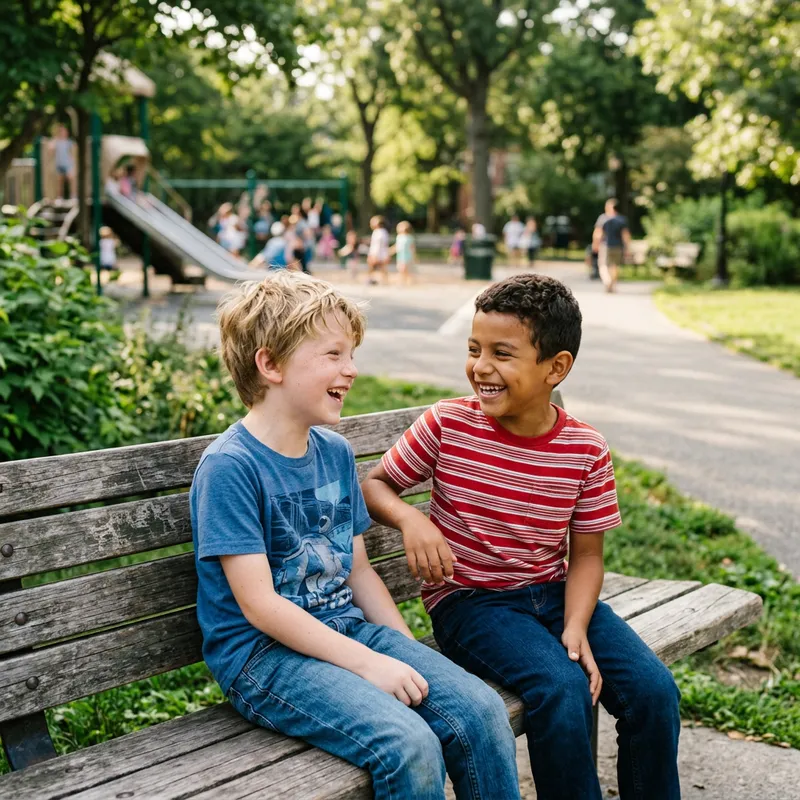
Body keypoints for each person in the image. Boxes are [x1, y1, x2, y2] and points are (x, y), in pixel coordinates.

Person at [190, 271, 521, 800]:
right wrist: (370, 663)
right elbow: (259, 606)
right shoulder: (231, 467)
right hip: (264, 658)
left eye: (352, 354)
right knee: (408, 744)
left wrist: (406, 652)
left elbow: (358, 570)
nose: (352, 369)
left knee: (478, 709)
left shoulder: (334, 453)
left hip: (345, 629)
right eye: (333, 355)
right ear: (270, 364)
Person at [362, 273, 682, 800]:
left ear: (556, 367)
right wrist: (411, 519)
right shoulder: (448, 424)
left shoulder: (585, 449)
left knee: (653, 692)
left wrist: (577, 627)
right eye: (474, 349)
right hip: (470, 604)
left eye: (502, 354)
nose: (481, 367)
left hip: (555, 595)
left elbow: (586, 557)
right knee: (560, 687)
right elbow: (376, 486)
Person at [593, 199, 630, 293]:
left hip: (606, 246)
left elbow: (598, 233)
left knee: (603, 265)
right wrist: (627, 248)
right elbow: (625, 235)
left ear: (608, 207)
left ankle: (608, 281)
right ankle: (612, 285)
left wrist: (595, 244)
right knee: (614, 266)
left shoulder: (603, 218)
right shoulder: (622, 219)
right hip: (618, 246)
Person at [50, 124, 75, 201]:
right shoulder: (56, 142)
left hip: (68, 164)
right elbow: (51, 149)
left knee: (71, 179)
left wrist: (73, 163)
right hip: (59, 164)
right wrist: (55, 138)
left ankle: (73, 196)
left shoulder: (69, 142)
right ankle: (59, 197)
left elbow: (72, 152)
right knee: (59, 182)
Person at [367, 215, 390, 285]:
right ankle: (384, 281)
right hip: (383, 253)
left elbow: (378, 245)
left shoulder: (378, 232)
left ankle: (371, 279)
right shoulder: (384, 232)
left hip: (377, 254)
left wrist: (374, 255)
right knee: (383, 268)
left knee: (373, 267)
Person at [392, 220, 416, 285]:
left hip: (407, 256)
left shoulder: (410, 238)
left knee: (404, 269)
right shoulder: (399, 237)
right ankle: (403, 281)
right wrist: (390, 251)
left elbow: (412, 248)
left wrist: (414, 257)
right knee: (401, 269)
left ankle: (408, 281)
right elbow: (396, 246)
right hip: (400, 256)